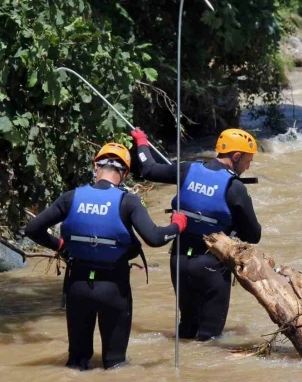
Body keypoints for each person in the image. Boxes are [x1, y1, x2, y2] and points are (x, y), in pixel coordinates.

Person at [24, 143, 186, 370]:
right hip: (113, 288)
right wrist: (177, 226)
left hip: (77, 285)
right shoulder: (128, 201)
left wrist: (61, 246)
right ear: (126, 173)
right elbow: (156, 238)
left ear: (95, 166)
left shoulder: (71, 197)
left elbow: (32, 229)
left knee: (76, 363)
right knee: (115, 364)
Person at [129, 127, 262, 341]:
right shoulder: (235, 188)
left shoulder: (188, 169)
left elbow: (149, 170)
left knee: (187, 329)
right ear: (236, 156)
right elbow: (254, 235)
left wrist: (142, 142)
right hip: (210, 266)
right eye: (248, 160)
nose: (249, 166)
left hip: (179, 261)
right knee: (210, 340)